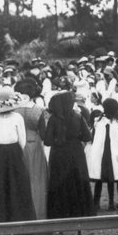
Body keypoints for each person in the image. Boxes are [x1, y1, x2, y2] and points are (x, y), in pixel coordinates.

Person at [0, 88, 36, 235]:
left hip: (0, 154)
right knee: (18, 190)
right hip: (15, 153)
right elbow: (22, 140)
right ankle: (20, 234)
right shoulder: (17, 117)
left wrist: (2, 150)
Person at [43, 90, 95, 219]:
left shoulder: (53, 119)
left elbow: (48, 141)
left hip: (59, 152)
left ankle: (61, 211)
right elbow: (87, 136)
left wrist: (58, 138)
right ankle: (81, 210)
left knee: (60, 181)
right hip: (76, 152)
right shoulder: (78, 116)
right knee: (78, 179)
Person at [13, 79, 49, 220]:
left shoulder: (14, 109)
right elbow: (44, 133)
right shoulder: (38, 110)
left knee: (21, 179)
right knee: (37, 179)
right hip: (35, 145)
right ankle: (39, 213)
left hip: (18, 144)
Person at [88, 98, 118, 211]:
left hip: (103, 152)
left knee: (100, 178)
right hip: (108, 153)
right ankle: (110, 202)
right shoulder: (117, 123)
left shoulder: (98, 121)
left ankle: (97, 202)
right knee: (109, 178)